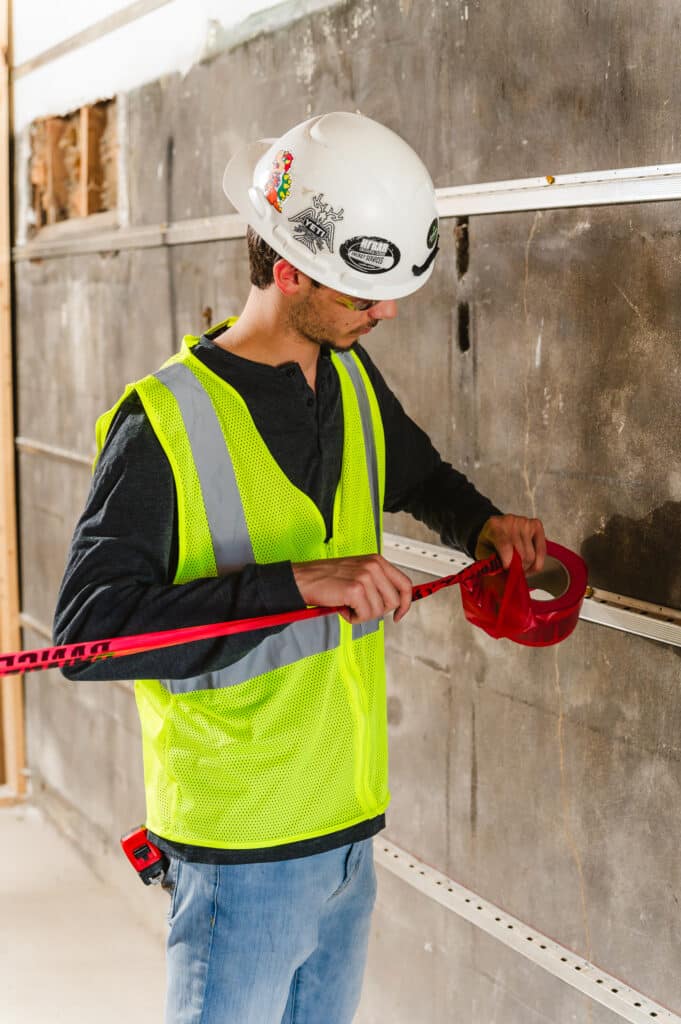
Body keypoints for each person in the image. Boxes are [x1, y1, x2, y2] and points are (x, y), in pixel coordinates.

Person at [53, 111, 546, 1024]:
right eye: (366, 296)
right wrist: (295, 584)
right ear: (289, 273)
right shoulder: (161, 423)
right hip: (239, 843)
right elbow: (87, 636)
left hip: (346, 829)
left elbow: (420, 473)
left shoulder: (349, 374)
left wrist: (482, 526)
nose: (386, 312)